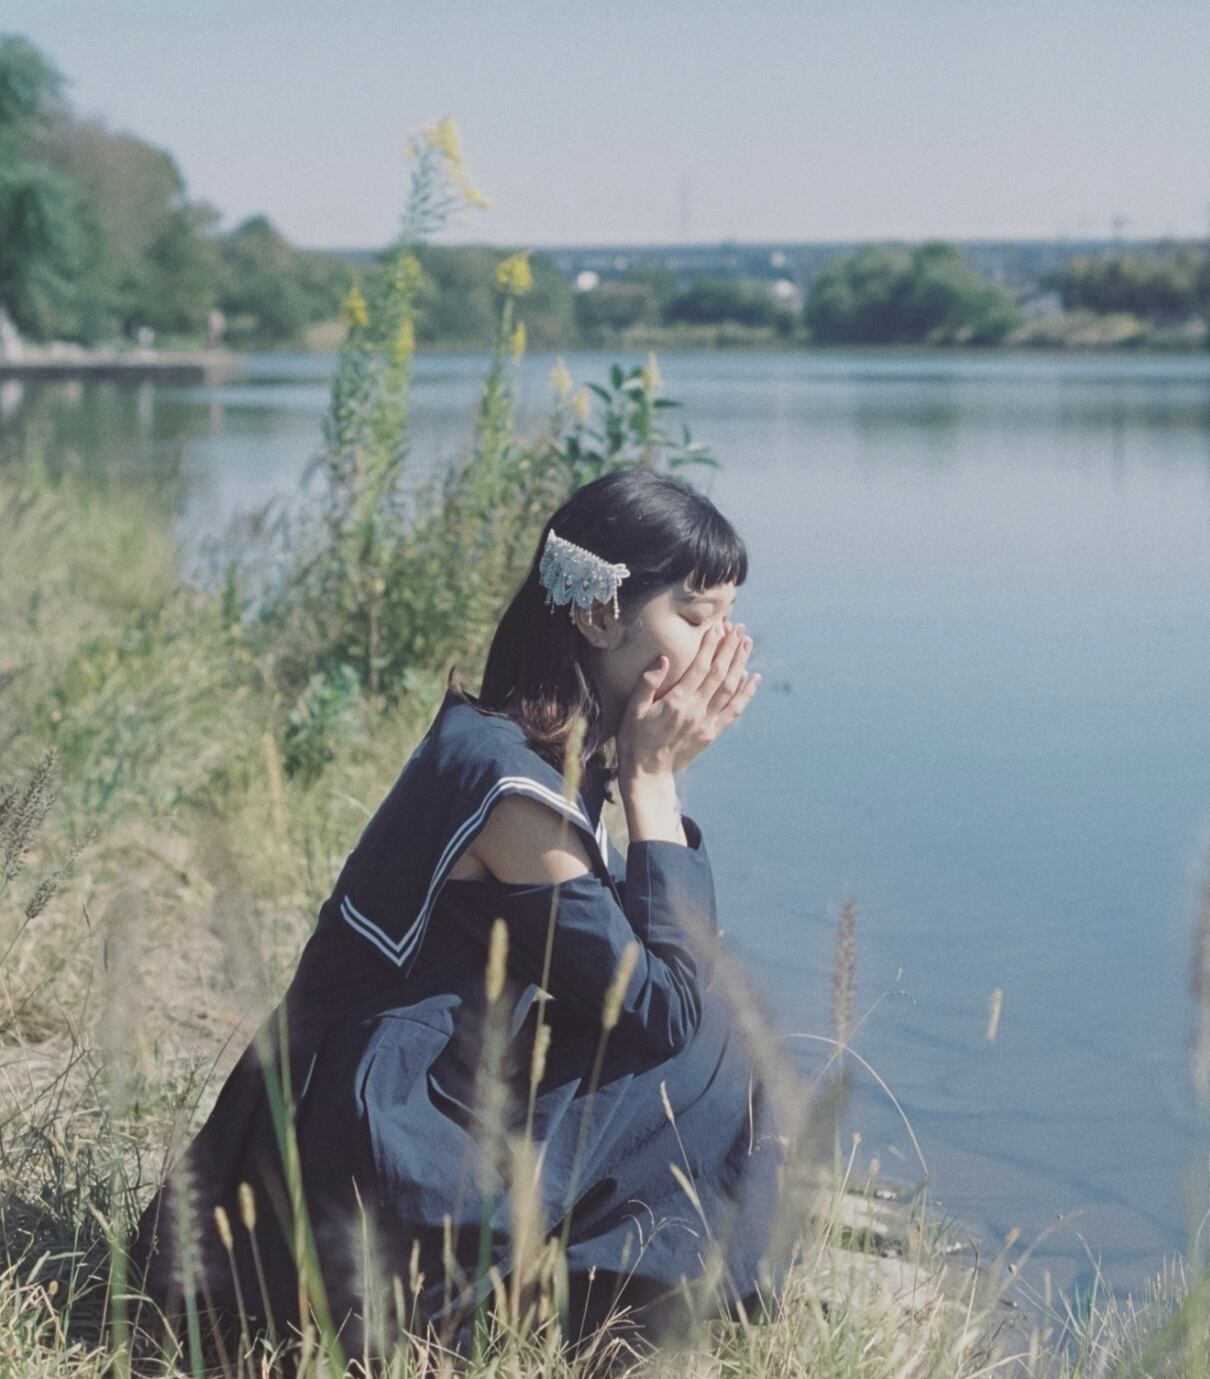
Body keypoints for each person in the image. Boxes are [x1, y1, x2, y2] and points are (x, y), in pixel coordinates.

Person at [127, 468, 787, 1367]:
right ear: (600, 616)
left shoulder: (510, 741)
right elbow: (662, 1006)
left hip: (368, 1121)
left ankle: (603, 1295)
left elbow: (642, 970)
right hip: (373, 1167)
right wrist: (654, 781)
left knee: (707, 1014)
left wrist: (639, 774)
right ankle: (598, 1321)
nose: (725, 650)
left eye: (730, 619)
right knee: (711, 1041)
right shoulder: (513, 793)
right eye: (699, 617)